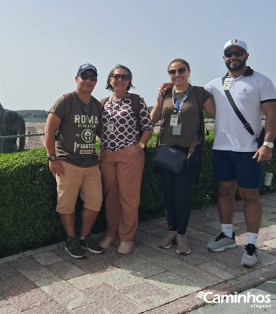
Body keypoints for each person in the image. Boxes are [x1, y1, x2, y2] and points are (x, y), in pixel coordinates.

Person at [205, 39, 276, 267]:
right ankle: (227, 235)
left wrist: (268, 144)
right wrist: (165, 88)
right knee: (225, 191)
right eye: (229, 53)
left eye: (238, 52)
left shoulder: (261, 81)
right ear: (223, 57)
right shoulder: (214, 84)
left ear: (246, 55)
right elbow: (191, 94)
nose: (233, 56)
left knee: (250, 196)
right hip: (222, 148)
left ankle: (252, 244)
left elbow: (272, 116)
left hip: (248, 150)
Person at [151, 59, 215, 255]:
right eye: (172, 71)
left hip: (189, 153)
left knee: (182, 195)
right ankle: (171, 231)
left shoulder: (199, 93)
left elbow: (218, 115)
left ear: (188, 71)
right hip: (167, 152)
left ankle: (182, 235)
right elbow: (152, 119)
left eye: (181, 70)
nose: (177, 74)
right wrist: (158, 98)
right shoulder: (165, 94)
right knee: (169, 195)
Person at [44, 63, 104, 259]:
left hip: (91, 163)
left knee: (95, 202)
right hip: (67, 162)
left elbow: (102, 133)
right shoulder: (66, 101)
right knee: (66, 204)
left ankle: (84, 237)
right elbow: (49, 130)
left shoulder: (96, 105)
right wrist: (52, 157)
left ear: (96, 81)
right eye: (84, 76)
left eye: (92, 77)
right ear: (76, 78)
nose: (88, 80)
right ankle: (71, 239)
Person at [99, 65, 153, 254]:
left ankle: (127, 237)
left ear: (129, 81)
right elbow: (99, 129)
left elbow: (148, 127)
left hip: (130, 155)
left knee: (128, 198)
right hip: (107, 155)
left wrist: (138, 147)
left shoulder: (136, 101)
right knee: (110, 197)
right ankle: (111, 233)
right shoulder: (103, 102)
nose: (120, 79)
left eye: (124, 76)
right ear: (110, 80)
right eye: (116, 76)